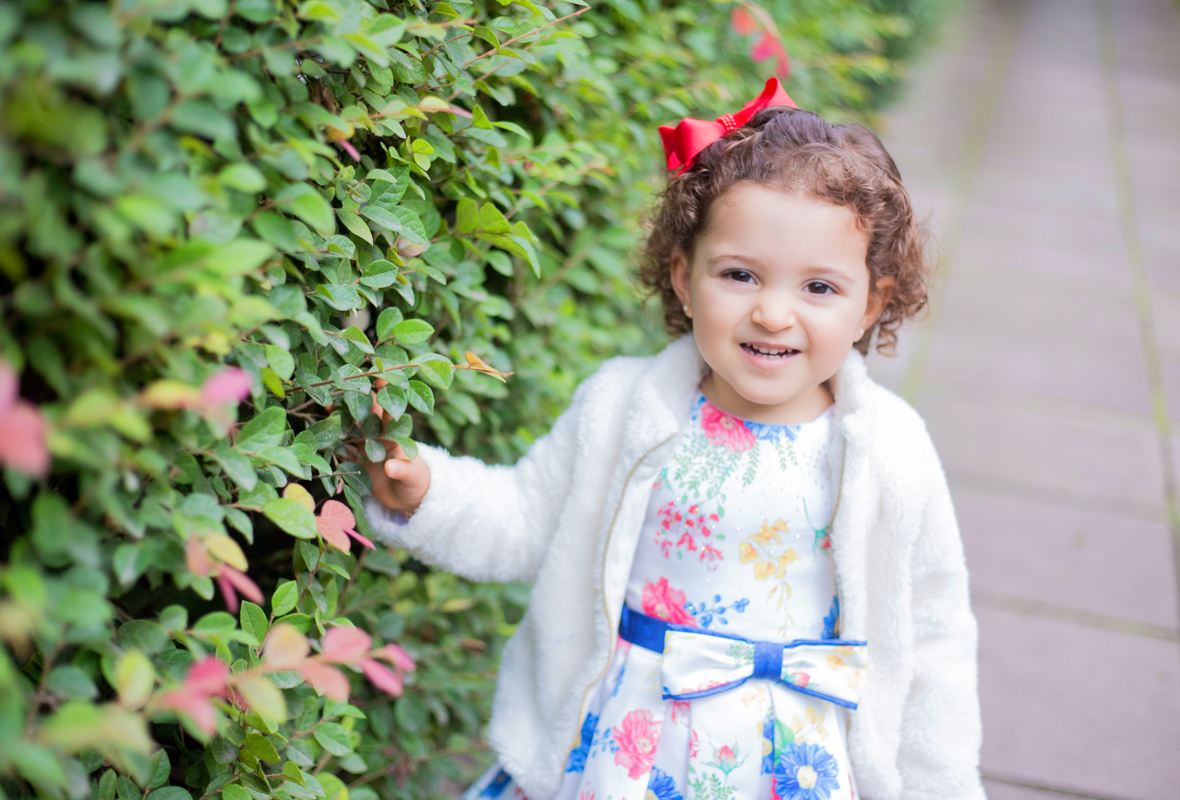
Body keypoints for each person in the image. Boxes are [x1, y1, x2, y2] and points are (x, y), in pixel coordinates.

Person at [362, 77, 984, 800]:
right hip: (627, 750)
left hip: (791, 766)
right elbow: (528, 519)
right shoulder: (625, 406)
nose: (774, 314)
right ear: (685, 280)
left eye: (819, 288)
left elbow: (936, 632)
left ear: (869, 302)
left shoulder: (890, 452)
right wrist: (429, 491)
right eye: (740, 275)